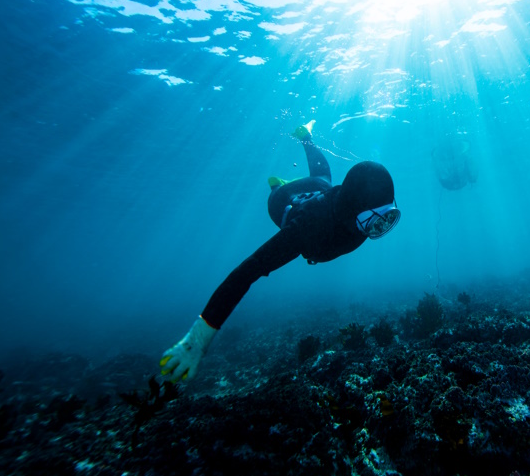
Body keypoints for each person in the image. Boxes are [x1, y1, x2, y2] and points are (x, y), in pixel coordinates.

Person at [159, 121, 400, 382]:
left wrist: (372, 216)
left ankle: (306, 137)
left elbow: (363, 210)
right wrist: (196, 341)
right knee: (298, 188)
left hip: (323, 191)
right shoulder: (307, 229)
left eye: (388, 216)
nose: (380, 226)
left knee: (323, 176)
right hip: (285, 201)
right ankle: (277, 184)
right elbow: (245, 273)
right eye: (373, 219)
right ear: (354, 211)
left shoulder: (359, 214)